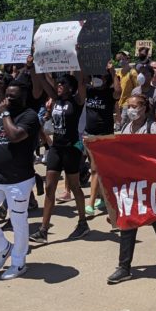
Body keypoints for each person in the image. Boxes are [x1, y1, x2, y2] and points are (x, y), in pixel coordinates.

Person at [99, 93, 156, 284]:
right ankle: (124, 267)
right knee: (128, 222)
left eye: (135, 106)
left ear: (144, 109)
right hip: (130, 184)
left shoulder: (153, 129)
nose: (131, 110)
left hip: (149, 184)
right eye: (129, 106)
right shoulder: (126, 127)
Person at [0, 81, 42, 280]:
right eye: (7, 96)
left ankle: (19, 262)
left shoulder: (29, 117)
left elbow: (14, 136)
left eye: (13, 97)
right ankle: (3, 248)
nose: (7, 100)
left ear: (23, 98)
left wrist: (5, 113)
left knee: (18, 222)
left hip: (18, 180)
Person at [31, 72, 89, 242]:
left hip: (71, 148)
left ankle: (83, 222)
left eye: (62, 83)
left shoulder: (76, 101)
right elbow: (42, 79)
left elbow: (81, 82)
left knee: (75, 186)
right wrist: (36, 63)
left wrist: (76, 59)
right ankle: (43, 229)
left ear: (71, 87)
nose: (59, 85)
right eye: (58, 83)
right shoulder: (55, 99)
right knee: (50, 188)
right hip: (56, 148)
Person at [84, 67, 119, 217]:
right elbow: (80, 80)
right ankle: (104, 198)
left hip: (104, 135)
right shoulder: (90, 91)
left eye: (102, 76)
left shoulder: (109, 93)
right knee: (99, 169)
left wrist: (112, 72)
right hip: (89, 134)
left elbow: (118, 91)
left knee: (95, 169)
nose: (98, 78)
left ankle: (91, 203)